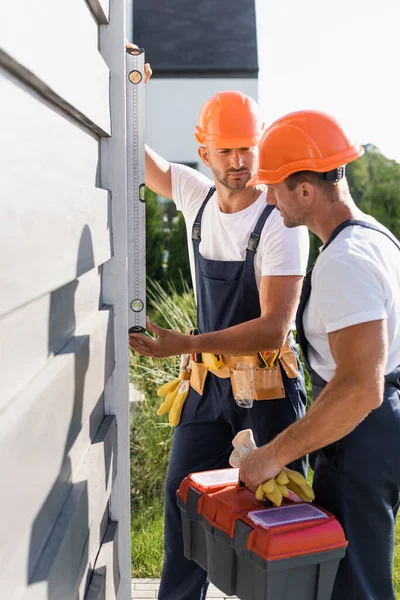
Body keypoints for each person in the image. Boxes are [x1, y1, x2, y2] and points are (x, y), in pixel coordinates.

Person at [130, 78, 310, 599]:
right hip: (207, 385)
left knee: (276, 519)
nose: (238, 160)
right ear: (203, 148)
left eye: (246, 148)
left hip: (269, 388)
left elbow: (275, 326)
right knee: (183, 501)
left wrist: (181, 345)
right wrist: (124, 79)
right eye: (226, 149)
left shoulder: (279, 220)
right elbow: (138, 156)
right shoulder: (195, 195)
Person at [239, 109, 400, 600]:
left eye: (275, 187)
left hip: (363, 436)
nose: (267, 197)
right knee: (353, 579)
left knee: (357, 587)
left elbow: (358, 389)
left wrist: (272, 456)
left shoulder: (345, 263)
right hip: (368, 433)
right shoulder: (375, 237)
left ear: (305, 191)